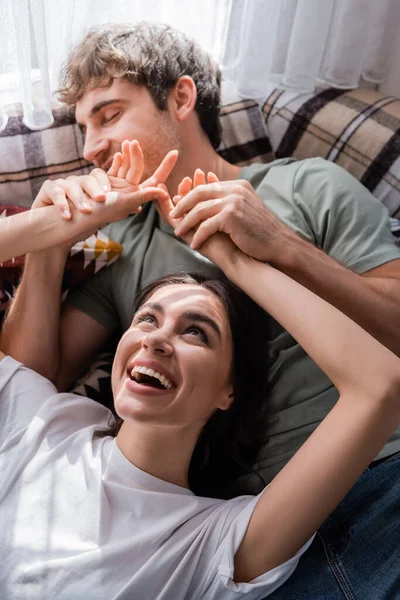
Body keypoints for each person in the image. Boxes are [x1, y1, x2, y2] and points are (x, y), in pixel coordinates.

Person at [2, 24, 400, 485]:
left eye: (109, 116)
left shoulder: (308, 185)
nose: (91, 149)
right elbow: (26, 389)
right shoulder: (125, 248)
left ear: (181, 98)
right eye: (84, 130)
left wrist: (284, 247)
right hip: (263, 526)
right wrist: (50, 242)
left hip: (387, 467)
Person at [1, 172, 399, 599]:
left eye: (196, 333)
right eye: (147, 319)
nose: (155, 339)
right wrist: (52, 227)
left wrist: (237, 260)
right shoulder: (41, 421)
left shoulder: (209, 541)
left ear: (229, 391)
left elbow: (381, 384)